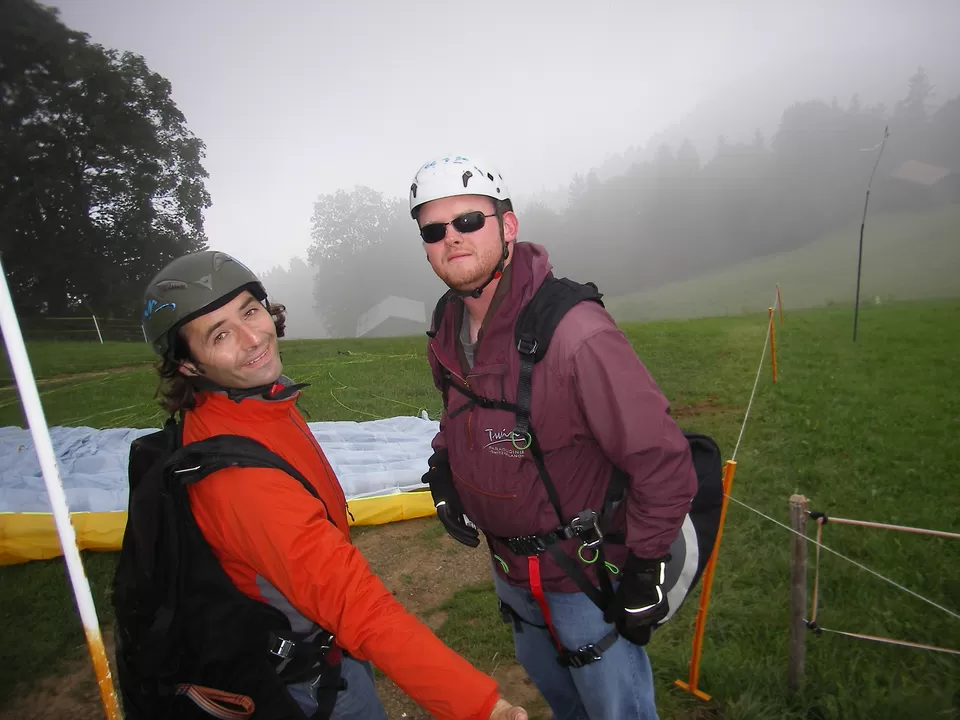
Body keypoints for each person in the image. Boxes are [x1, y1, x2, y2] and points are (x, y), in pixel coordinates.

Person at [137, 249, 528, 720]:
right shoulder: (241, 481)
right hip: (311, 684)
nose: (251, 339)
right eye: (219, 334)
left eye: (250, 311)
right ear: (188, 365)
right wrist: (482, 707)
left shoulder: (250, 405)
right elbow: (356, 607)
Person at [411, 155, 699, 720]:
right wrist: (444, 470)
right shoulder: (447, 326)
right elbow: (459, 418)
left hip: (583, 578)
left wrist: (644, 569)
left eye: (469, 221)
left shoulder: (576, 333)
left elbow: (661, 459)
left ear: (508, 226)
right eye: (433, 230)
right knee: (565, 705)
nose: (453, 239)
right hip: (510, 575)